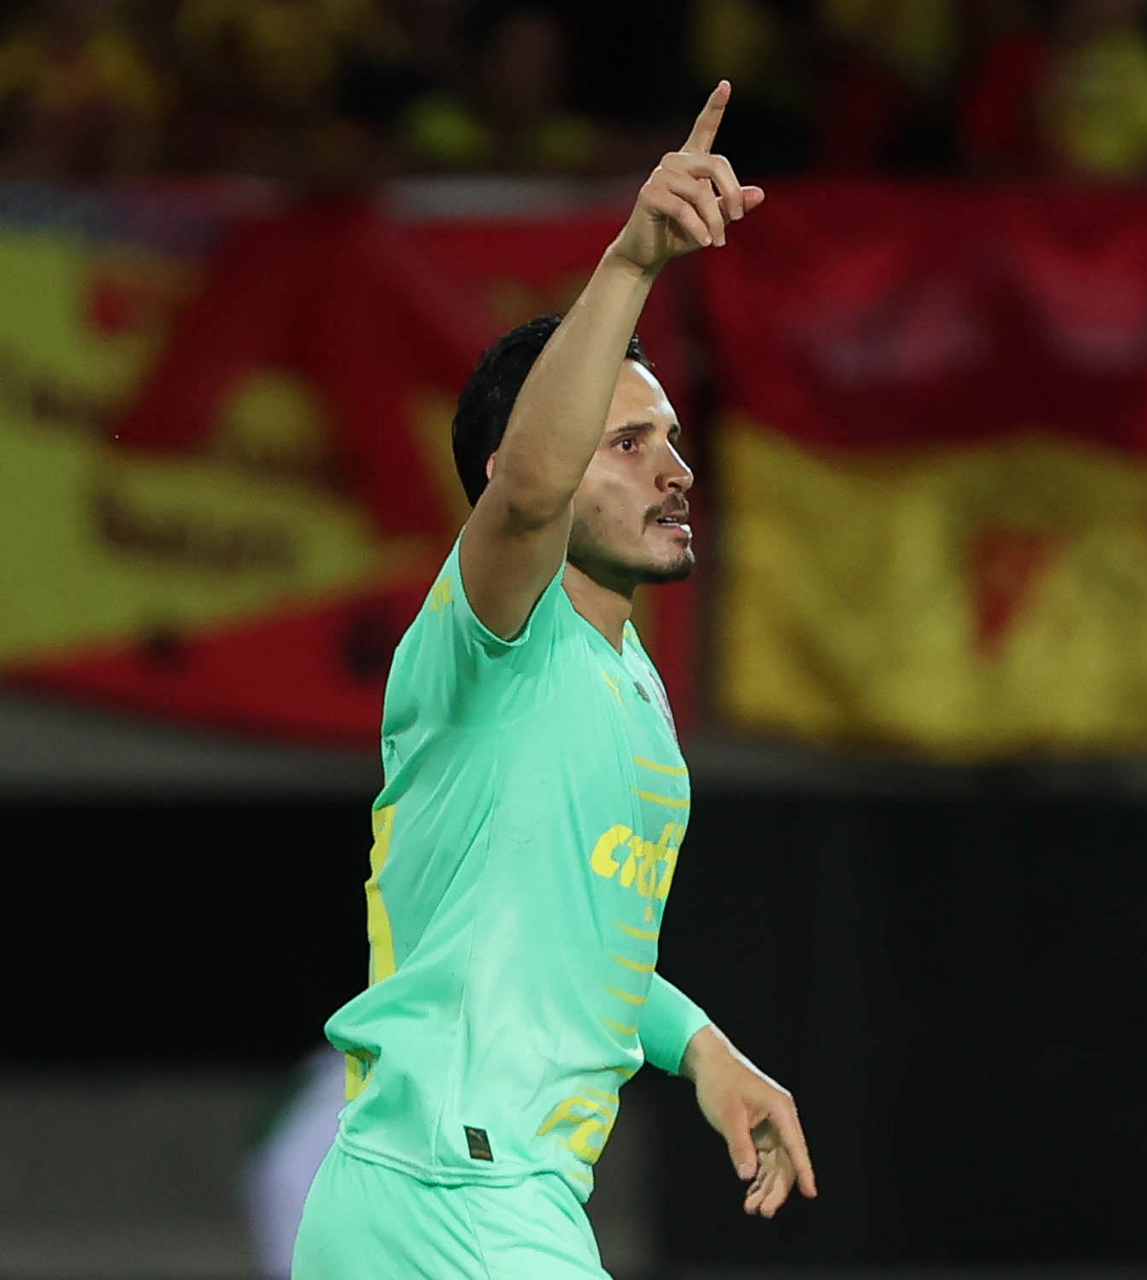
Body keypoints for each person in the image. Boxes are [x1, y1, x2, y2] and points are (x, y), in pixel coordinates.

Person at [291, 81, 818, 1280]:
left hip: (428, 1193)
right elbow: (530, 491)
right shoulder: (489, 626)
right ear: (516, 465)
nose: (674, 469)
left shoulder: (630, 683)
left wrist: (699, 1045)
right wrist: (632, 259)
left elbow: (571, 944)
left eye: (671, 439)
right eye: (626, 443)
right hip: (457, 1195)